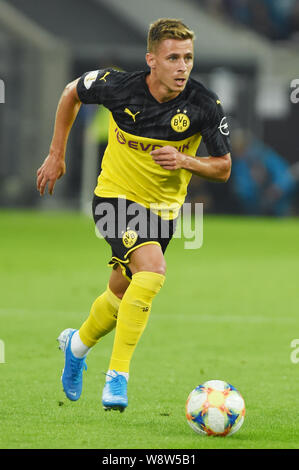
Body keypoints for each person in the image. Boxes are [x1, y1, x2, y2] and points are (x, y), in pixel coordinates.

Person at [36, 18, 231, 412]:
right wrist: (57, 153)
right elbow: (70, 92)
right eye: (173, 57)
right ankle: (117, 377)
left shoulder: (203, 105)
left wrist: (184, 160)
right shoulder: (118, 86)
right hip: (113, 199)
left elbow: (224, 167)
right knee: (153, 272)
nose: (182, 67)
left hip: (163, 213)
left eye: (188, 58)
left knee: (121, 292)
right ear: (152, 60)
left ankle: (75, 346)